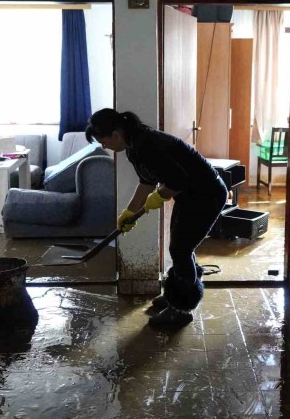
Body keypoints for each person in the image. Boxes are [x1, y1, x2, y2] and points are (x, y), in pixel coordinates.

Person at [85, 108, 227, 326]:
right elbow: (146, 182)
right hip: (189, 196)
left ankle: (181, 309)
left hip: (207, 195)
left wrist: (157, 198)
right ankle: (175, 294)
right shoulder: (133, 147)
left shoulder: (148, 144)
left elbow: (178, 180)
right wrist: (129, 212)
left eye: (103, 141)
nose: (104, 146)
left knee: (181, 249)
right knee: (180, 247)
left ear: (116, 134)